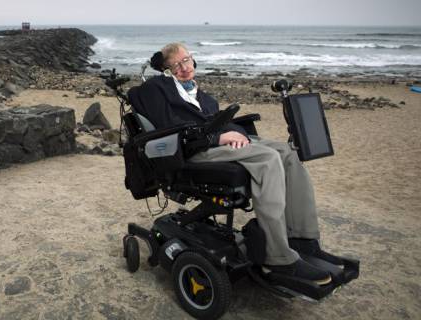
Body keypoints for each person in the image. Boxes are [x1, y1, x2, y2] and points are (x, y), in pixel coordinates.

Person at [131, 43, 343, 285]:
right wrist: (217, 138)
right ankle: (278, 257)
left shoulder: (202, 96)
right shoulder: (155, 89)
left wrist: (238, 134)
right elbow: (170, 125)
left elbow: (217, 119)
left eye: (187, 60)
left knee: (288, 153)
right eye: (176, 65)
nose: (185, 68)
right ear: (166, 70)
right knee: (267, 159)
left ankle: (302, 238)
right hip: (192, 150)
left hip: (214, 143)